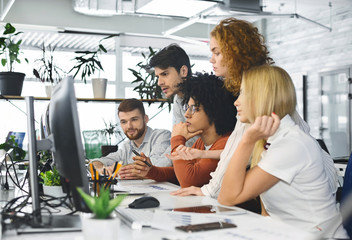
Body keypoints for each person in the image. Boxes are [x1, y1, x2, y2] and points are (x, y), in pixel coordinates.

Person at [171, 17, 338, 200]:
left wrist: (208, 190)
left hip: (309, 184)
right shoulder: (250, 84)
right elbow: (238, 147)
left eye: (217, 52)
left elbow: (239, 144)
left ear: (235, 52)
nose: (212, 59)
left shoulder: (259, 89)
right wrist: (205, 163)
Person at [218, 65, 347, 238]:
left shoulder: (292, 144)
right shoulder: (272, 141)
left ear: (262, 96)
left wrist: (246, 141)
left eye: (243, 92)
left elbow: (227, 198)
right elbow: (267, 211)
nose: (236, 101)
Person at [127, 73, 237, 187]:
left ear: (213, 112)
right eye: (187, 107)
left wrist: (177, 139)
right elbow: (178, 173)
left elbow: (189, 180)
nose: (186, 114)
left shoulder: (226, 143)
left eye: (194, 108)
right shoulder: (201, 142)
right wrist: (151, 171)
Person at [91, 98, 171, 177]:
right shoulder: (127, 146)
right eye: (124, 122)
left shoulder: (161, 136)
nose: (129, 126)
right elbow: (98, 161)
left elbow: (157, 164)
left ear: (145, 119)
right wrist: (100, 168)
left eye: (134, 119)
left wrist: (119, 169)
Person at [149, 43, 197, 147]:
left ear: (183, 71)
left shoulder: (202, 96)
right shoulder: (178, 99)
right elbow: (181, 139)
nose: (159, 82)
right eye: (157, 76)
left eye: (165, 74)